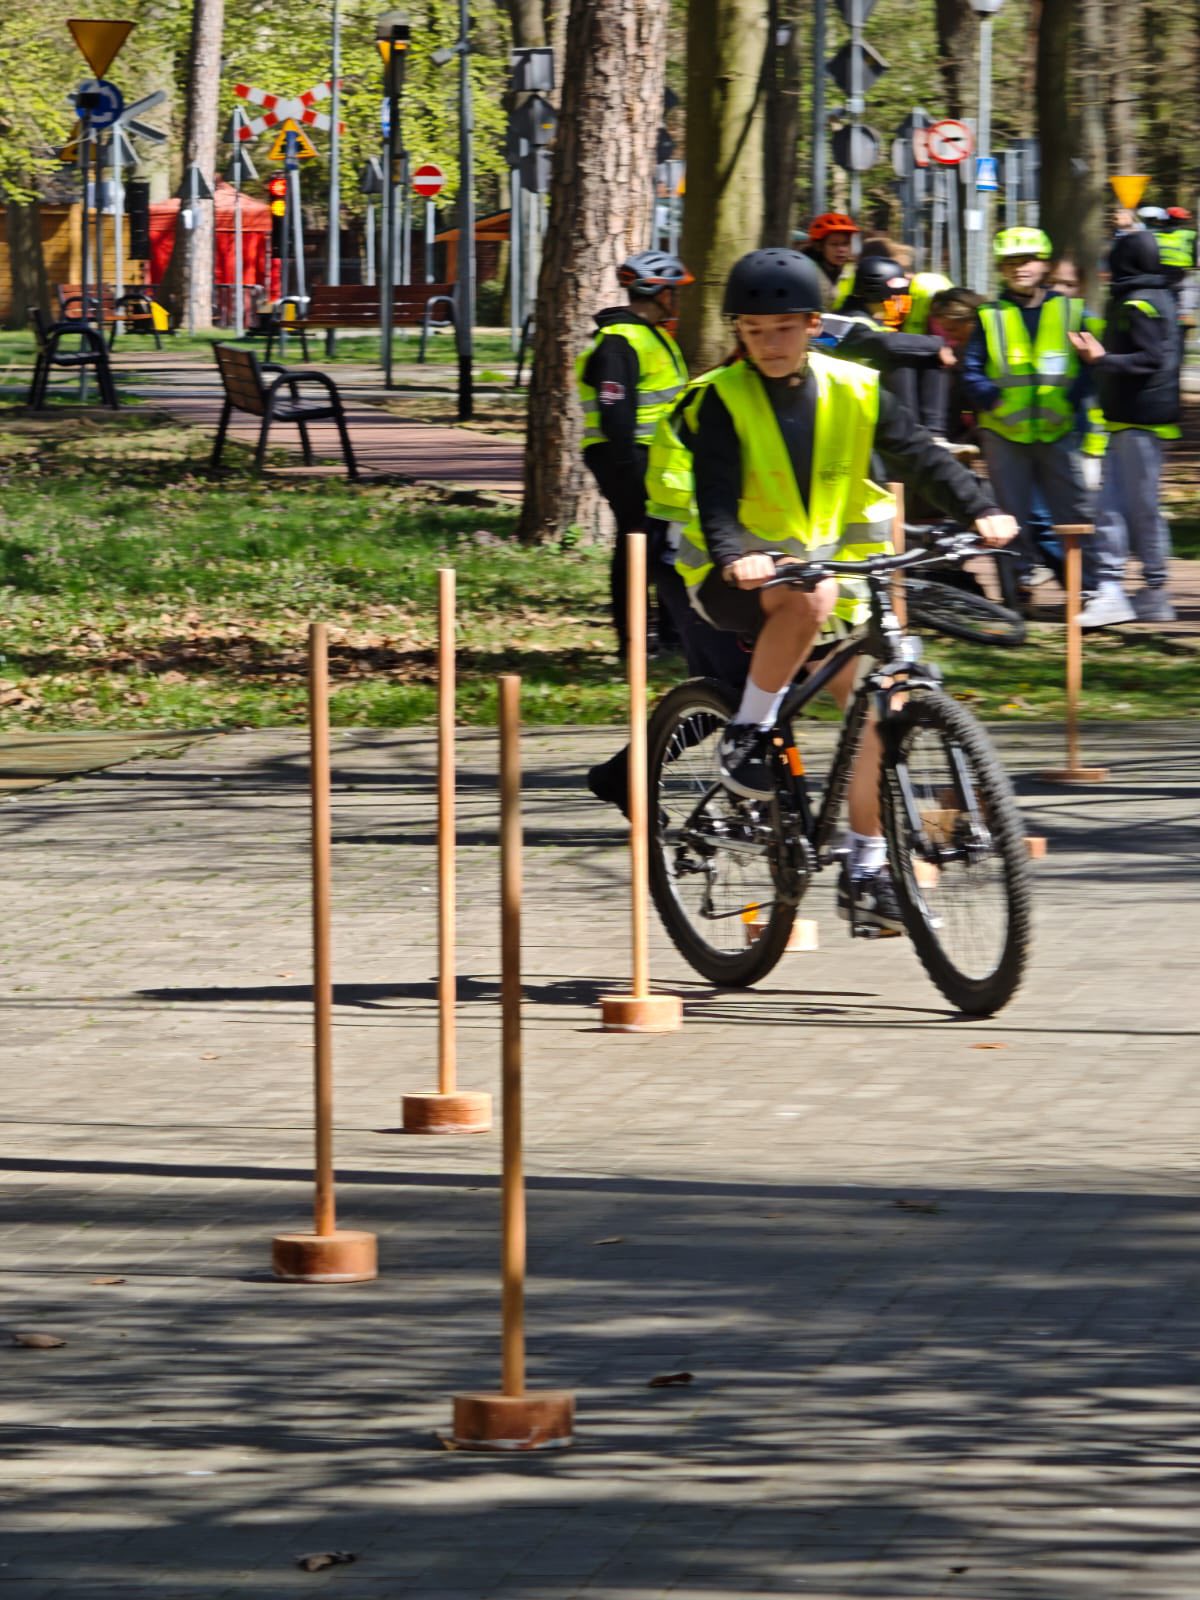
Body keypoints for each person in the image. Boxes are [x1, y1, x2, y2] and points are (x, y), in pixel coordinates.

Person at [673, 248, 1016, 932]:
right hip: (733, 575)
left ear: (812, 325)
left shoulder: (855, 389)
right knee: (812, 599)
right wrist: (737, 554)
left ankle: (866, 870)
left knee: (878, 706)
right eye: (754, 331)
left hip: (826, 576)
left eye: (783, 329)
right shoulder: (721, 400)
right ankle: (748, 732)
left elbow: (920, 455)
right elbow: (714, 494)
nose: (769, 344)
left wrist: (980, 508)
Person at [959, 226, 1094, 607]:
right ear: (1001, 269)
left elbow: (1089, 364)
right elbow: (971, 368)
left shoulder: (1070, 311)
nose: (1020, 268)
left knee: (1073, 513)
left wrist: (1073, 401)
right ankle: (1015, 591)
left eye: (1028, 260)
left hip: (1058, 430)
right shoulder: (990, 315)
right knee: (1008, 518)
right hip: (1004, 434)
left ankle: (1086, 589)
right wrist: (990, 399)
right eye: (1011, 262)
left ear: (1044, 265)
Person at [576, 250, 693, 655]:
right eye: (674, 292)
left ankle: (671, 632)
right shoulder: (619, 342)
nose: (677, 300)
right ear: (659, 293)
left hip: (653, 456)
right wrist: (626, 465)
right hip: (626, 456)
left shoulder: (652, 335)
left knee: (660, 542)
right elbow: (616, 409)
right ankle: (635, 638)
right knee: (637, 541)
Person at [1070, 229, 1181, 627]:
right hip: (1130, 421)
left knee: (1136, 508)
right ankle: (1120, 588)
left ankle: (1146, 589)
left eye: (1111, 260)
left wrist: (1101, 359)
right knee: (1112, 507)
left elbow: (1151, 358)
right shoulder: (1149, 295)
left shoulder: (1139, 302)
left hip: (1140, 422)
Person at [827, 255, 955, 441]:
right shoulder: (841, 321)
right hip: (846, 400)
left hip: (868, 396)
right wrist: (936, 343)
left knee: (928, 355)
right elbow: (881, 343)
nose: (901, 302)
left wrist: (934, 348)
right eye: (898, 296)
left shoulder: (872, 321)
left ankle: (934, 435)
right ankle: (911, 434)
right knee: (900, 356)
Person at [801, 212, 860, 309]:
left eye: (845, 244)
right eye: (834, 244)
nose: (841, 250)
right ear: (819, 246)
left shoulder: (853, 271)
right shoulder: (804, 271)